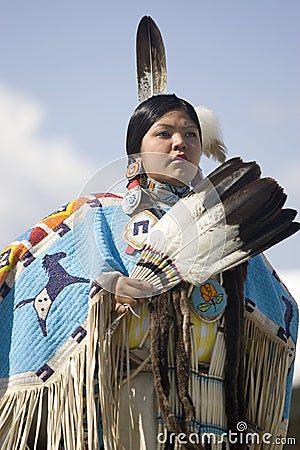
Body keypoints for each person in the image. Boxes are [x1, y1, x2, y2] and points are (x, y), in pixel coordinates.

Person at [0, 19, 298, 450]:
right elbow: (65, 267)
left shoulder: (224, 220)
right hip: (132, 400)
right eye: (164, 133)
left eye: (191, 135)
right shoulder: (97, 214)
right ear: (134, 153)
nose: (181, 143)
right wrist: (108, 290)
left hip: (213, 401)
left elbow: (278, 309)